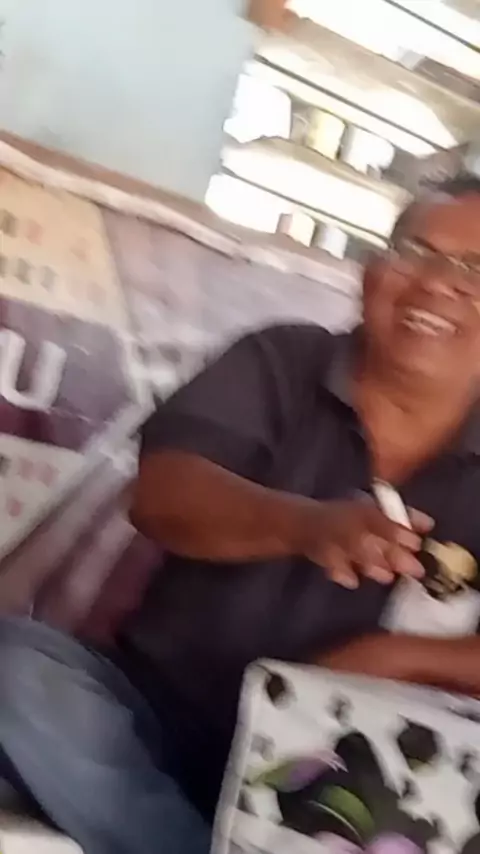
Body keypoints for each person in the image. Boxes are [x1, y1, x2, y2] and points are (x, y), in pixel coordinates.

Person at [3, 174, 480, 854]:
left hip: (355, 774)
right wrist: (309, 526)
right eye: (417, 252)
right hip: (156, 720)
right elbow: (165, 498)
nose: (437, 283)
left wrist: (397, 657)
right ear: (372, 271)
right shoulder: (283, 361)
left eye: (473, 269)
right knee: (15, 666)